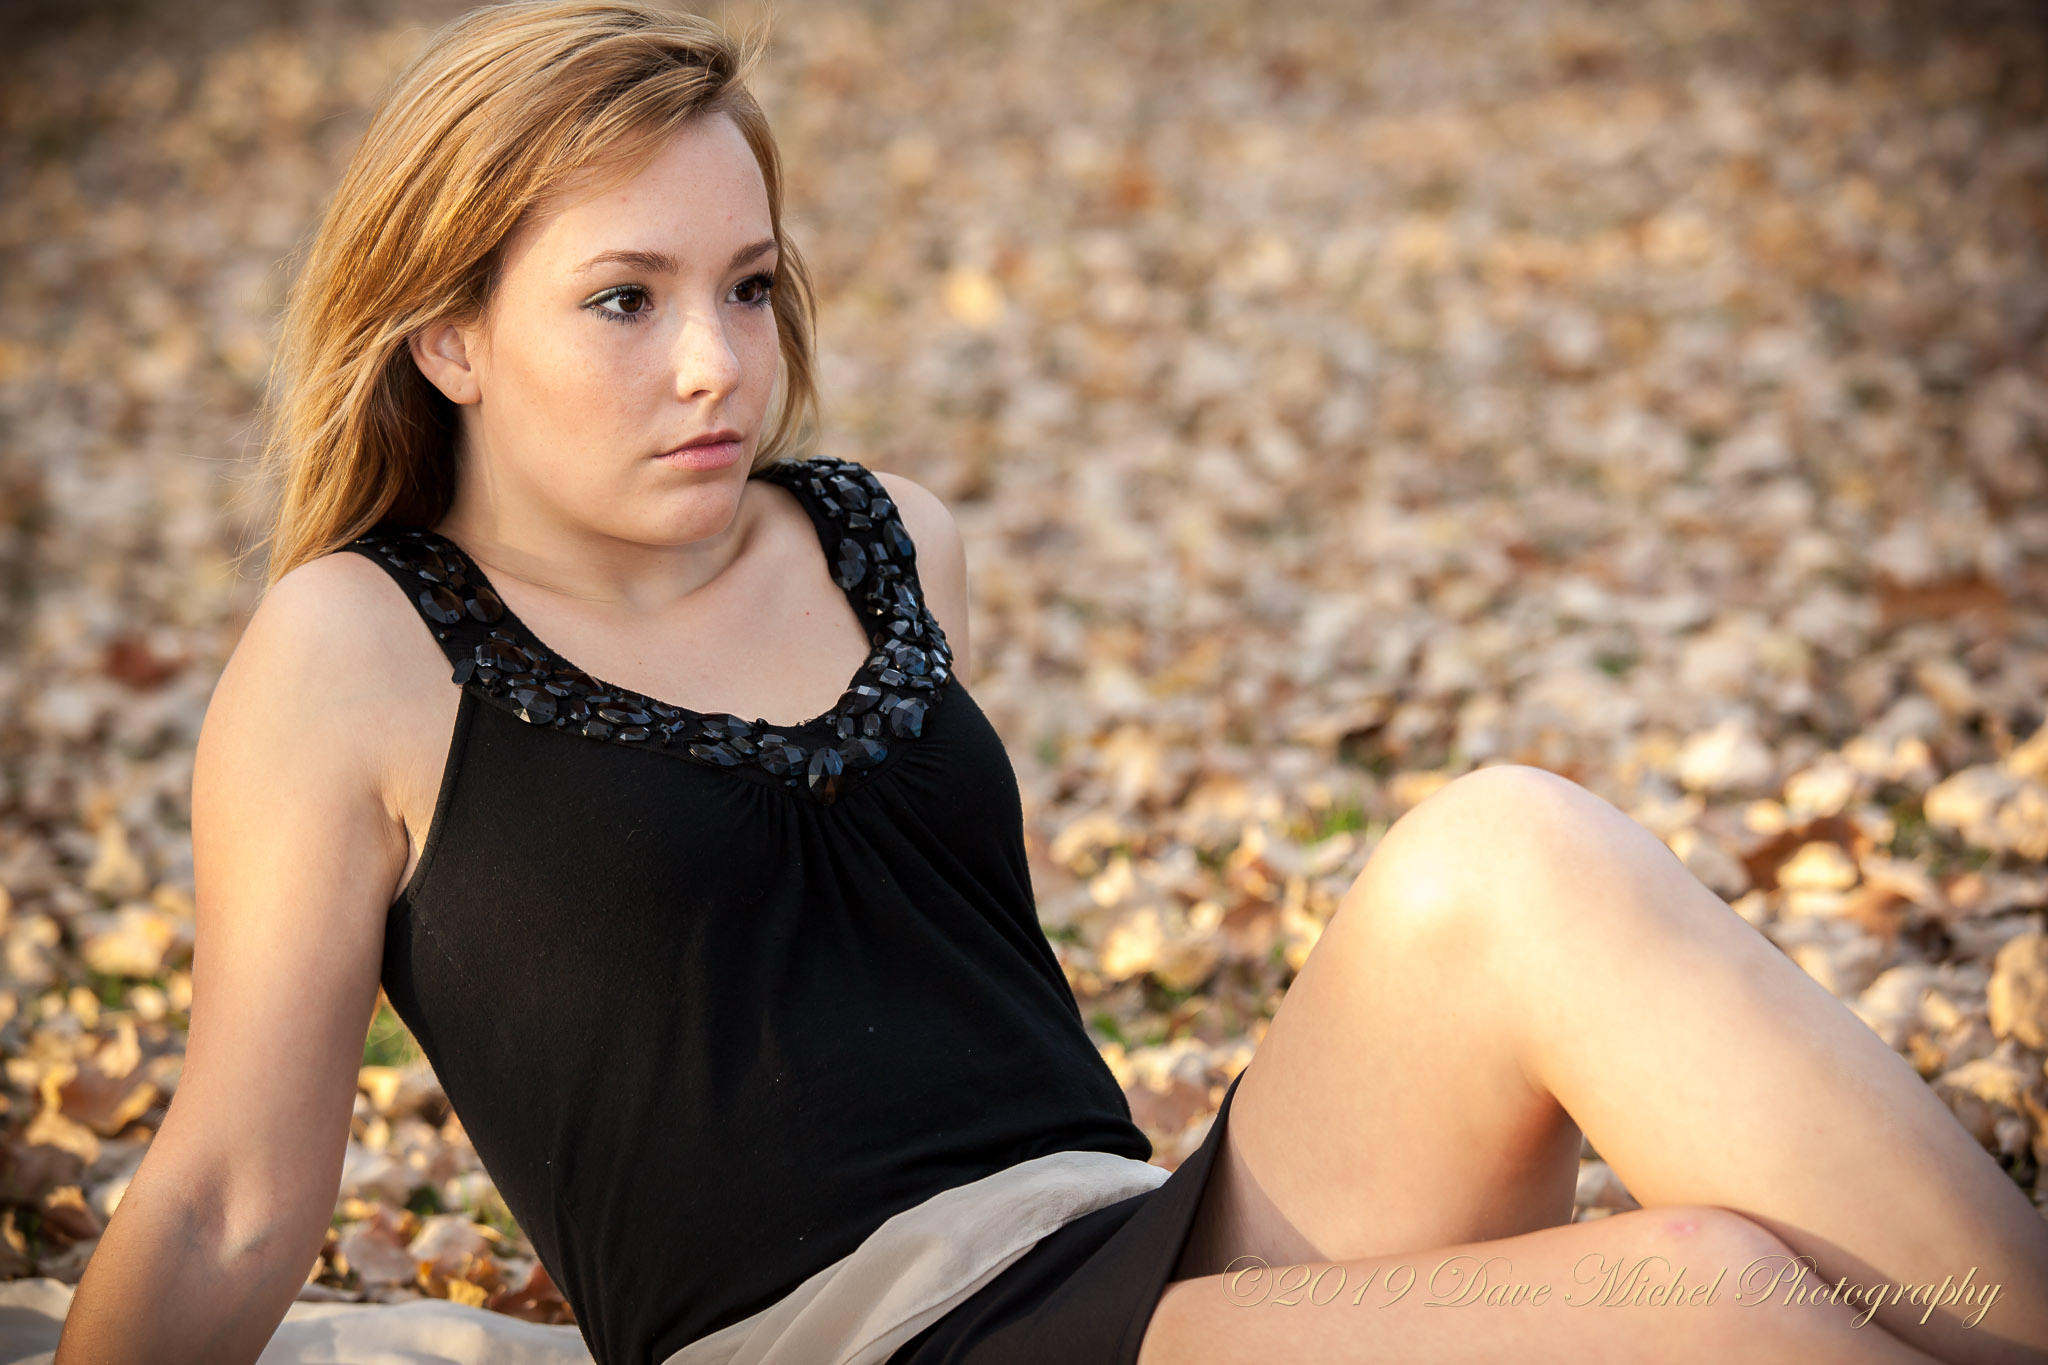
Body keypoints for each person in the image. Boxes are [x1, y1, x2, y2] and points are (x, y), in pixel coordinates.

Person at [52, 3, 2048, 1363]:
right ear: (449, 342)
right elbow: (227, 1195)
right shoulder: (357, 648)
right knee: (1701, 1290)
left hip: (1121, 1246)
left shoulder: (888, 539)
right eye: (623, 299)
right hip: (863, 1342)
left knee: (1512, 850)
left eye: (747, 285)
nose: (714, 362)